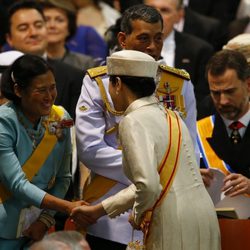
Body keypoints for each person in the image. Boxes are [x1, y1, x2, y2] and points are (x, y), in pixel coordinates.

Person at [75, 4, 198, 249]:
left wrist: (153, 176)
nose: (152, 47)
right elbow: (90, 149)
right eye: (143, 38)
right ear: (123, 39)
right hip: (109, 213)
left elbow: (190, 148)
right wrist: (148, 173)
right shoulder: (98, 82)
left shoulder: (179, 84)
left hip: (165, 209)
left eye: (158, 38)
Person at [72, 50, 221, 250]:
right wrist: (101, 210)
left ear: (116, 84)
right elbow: (156, 178)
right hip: (204, 217)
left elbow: (148, 185)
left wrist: (139, 212)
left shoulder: (133, 120)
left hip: (171, 219)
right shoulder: (172, 115)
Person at [0, 54, 91, 249]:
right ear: (18, 90)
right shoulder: (4, 123)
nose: (49, 97)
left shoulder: (60, 118)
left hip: (35, 229)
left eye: (53, 87)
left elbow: (64, 177)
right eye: (41, 90)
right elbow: (17, 184)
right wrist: (66, 206)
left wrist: (44, 221)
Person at [6, 0, 85, 120]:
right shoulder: (3, 74)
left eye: (38, 25)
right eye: (23, 28)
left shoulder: (74, 77)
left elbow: (74, 126)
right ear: (9, 38)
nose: (33, 33)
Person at [197, 50, 250, 195]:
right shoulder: (197, 130)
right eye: (216, 93)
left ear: (248, 85)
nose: (223, 101)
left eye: (230, 91)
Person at [145, 0, 214, 103]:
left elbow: (201, 100)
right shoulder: (125, 47)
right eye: (151, 9)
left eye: (165, 10)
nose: (156, 17)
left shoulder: (199, 51)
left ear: (179, 15)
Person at [40, 0, 97, 70]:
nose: (52, 25)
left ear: (69, 27)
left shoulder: (86, 64)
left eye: (59, 20)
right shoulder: (29, 63)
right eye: (46, 20)